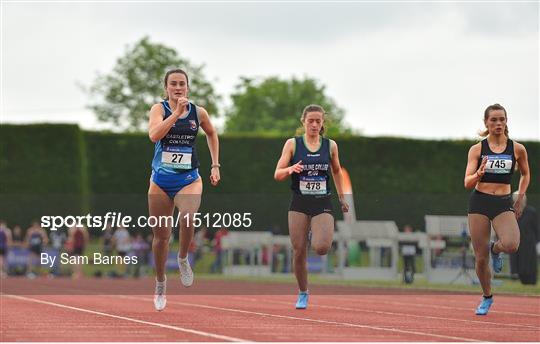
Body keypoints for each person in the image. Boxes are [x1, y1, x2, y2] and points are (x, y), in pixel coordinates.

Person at [148, 68, 220, 311]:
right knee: (160, 239)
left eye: (182, 84)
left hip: (189, 178)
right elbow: (154, 135)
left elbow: (212, 133)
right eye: (173, 84)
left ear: (188, 87)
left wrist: (215, 165)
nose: (178, 88)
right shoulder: (159, 110)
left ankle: (182, 259)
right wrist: (176, 113)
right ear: (166, 88)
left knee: (188, 217)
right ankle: (160, 283)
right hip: (160, 181)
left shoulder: (198, 113)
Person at [274, 104, 349, 309]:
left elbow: (336, 171)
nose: (314, 124)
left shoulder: (330, 146)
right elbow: (277, 174)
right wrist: (291, 168)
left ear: (323, 123)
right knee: (299, 251)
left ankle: (315, 232)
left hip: (322, 202)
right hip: (299, 202)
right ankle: (303, 292)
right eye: (311, 121)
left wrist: (342, 197)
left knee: (321, 247)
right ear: (303, 122)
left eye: (318, 121)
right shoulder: (293, 144)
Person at [464, 103, 530, 315]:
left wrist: (520, 195)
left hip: (503, 202)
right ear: (486, 123)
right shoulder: (477, 149)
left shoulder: (517, 149)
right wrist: (478, 175)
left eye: (501, 119)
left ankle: (496, 249)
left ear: (506, 121)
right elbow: (467, 182)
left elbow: (526, 174)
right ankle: (487, 296)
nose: (498, 123)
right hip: (480, 202)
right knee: (480, 257)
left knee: (511, 244)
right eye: (493, 120)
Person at [509, 193, 538, 284]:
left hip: (529, 244)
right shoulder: (511, 212)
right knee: (516, 264)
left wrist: (537, 242)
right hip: (515, 243)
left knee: (529, 265)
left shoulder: (531, 212)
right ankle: (516, 277)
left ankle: (530, 281)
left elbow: (537, 228)